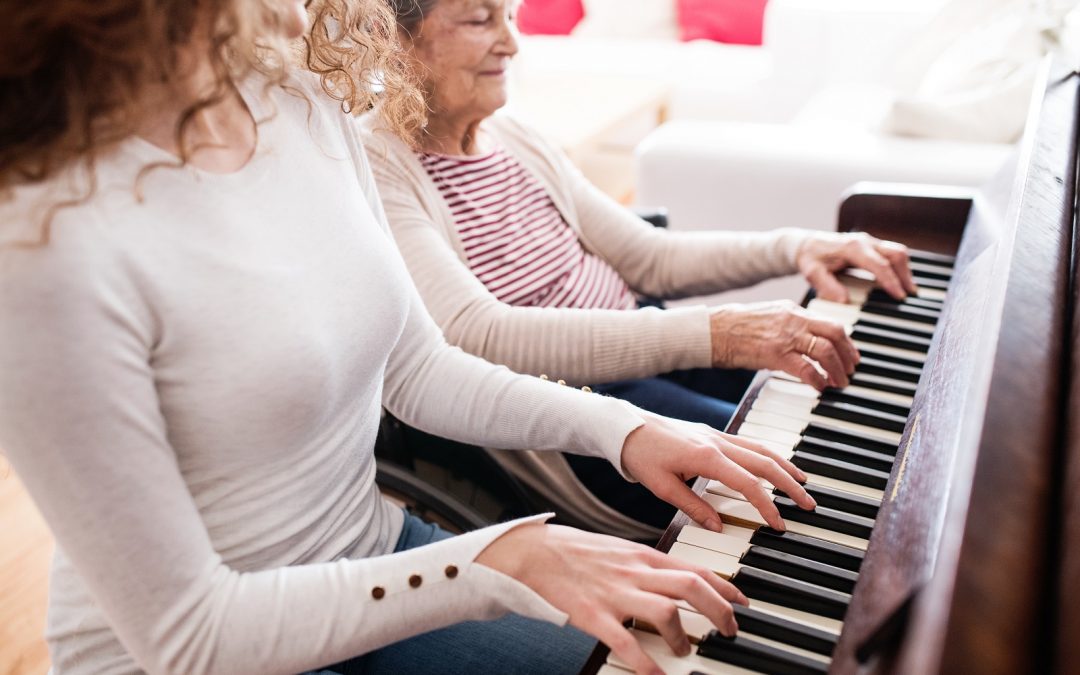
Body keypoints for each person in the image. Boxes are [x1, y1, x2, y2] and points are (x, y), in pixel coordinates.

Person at [0, 1, 818, 674]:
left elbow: (420, 368)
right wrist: (496, 562)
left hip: (373, 558)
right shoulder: (45, 241)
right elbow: (191, 633)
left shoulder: (299, 98)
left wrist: (626, 429)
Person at [360, 0, 916, 527]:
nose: (511, 44)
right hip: (576, 407)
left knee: (846, 407)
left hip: (645, 343)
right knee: (808, 470)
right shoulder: (379, 168)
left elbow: (648, 258)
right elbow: (478, 334)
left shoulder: (510, 134)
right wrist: (717, 333)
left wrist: (796, 247)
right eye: (481, 20)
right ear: (393, 39)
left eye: (510, 16)